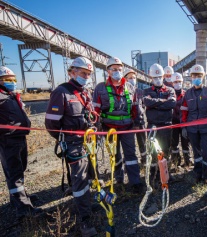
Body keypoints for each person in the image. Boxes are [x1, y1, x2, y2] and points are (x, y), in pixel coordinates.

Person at [45, 57, 98, 237]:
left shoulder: (85, 93)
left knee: (90, 175)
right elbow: (51, 125)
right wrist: (66, 139)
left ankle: (87, 203)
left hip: (87, 142)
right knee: (80, 179)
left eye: (88, 74)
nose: (86, 77)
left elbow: (89, 115)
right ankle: (85, 219)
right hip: (73, 143)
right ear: (72, 72)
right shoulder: (61, 92)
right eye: (83, 73)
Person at [93, 57, 143, 193]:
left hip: (127, 127)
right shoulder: (100, 88)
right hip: (110, 128)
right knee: (115, 156)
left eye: (120, 69)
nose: (117, 72)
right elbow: (95, 110)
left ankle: (135, 182)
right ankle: (119, 180)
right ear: (108, 71)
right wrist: (96, 127)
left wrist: (137, 123)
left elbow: (135, 107)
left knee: (131, 155)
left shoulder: (130, 87)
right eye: (114, 69)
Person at [0, 66, 42, 219]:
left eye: (13, 79)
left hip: (19, 137)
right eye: (7, 80)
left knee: (20, 168)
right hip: (8, 140)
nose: (12, 82)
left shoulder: (11, 95)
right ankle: (23, 209)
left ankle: (19, 197)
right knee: (14, 172)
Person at [181, 64, 207, 188]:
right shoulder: (188, 93)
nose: (196, 77)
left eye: (199, 75)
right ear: (191, 77)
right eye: (194, 76)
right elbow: (184, 111)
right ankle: (198, 173)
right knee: (196, 152)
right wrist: (184, 127)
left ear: (203, 76)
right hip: (192, 129)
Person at [143, 63, 176, 182]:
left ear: (163, 77)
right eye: (155, 77)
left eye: (159, 77)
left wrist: (155, 104)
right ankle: (154, 175)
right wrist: (163, 102)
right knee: (152, 152)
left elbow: (172, 103)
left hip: (167, 125)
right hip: (153, 126)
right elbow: (147, 102)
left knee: (166, 150)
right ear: (151, 78)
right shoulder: (146, 91)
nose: (157, 79)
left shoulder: (170, 90)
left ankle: (166, 174)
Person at [123, 68, 147, 164]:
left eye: (134, 77)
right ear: (125, 79)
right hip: (129, 123)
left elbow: (143, 106)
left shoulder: (140, 91)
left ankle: (144, 160)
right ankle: (131, 161)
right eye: (130, 78)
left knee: (143, 142)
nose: (132, 79)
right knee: (130, 144)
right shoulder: (123, 93)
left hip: (140, 121)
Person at [170, 72, 191, 167]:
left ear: (182, 82)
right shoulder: (169, 94)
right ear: (172, 83)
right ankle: (176, 161)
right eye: (175, 82)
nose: (177, 83)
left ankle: (187, 160)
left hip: (184, 123)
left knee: (185, 143)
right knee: (174, 143)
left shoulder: (186, 94)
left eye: (179, 81)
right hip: (173, 123)